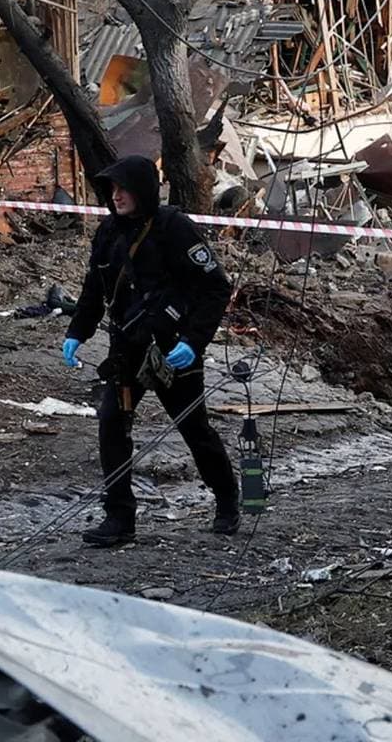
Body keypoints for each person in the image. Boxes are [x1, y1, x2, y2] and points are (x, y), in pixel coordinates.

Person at [63, 155, 238, 548]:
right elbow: (95, 288)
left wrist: (193, 342)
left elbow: (215, 288)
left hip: (172, 349)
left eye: (123, 188)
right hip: (126, 348)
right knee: (112, 424)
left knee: (194, 428)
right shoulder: (108, 232)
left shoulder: (174, 229)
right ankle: (119, 517)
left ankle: (227, 498)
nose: (117, 195)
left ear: (142, 190)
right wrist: (78, 331)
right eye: (112, 189)